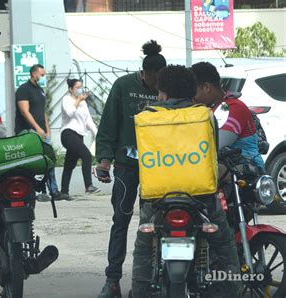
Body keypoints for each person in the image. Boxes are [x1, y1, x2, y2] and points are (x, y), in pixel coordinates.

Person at [131, 65, 242, 298]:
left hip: (156, 197)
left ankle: (140, 291)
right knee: (224, 245)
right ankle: (234, 290)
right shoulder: (205, 115)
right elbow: (212, 149)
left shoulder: (146, 115)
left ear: (162, 92)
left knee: (143, 248)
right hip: (201, 196)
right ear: (192, 90)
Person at [95, 40, 167, 298]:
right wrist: (103, 160)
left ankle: (155, 280)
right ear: (145, 73)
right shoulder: (123, 86)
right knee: (121, 220)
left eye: (161, 82)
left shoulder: (168, 89)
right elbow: (107, 127)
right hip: (126, 167)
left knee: (156, 224)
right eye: (153, 80)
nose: (157, 87)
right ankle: (112, 280)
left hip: (159, 168)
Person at [191, 62, 265, 169]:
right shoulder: (212, 107)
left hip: (247, 174)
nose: (191, 98)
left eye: (193, 92)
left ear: (206, 87)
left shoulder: (234, 108)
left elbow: (211, 147)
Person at [15, 64, 70, 201]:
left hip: (42, 132)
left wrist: (46, 128)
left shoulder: (40, 90)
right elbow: (24, 111)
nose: (43, 77)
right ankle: (32, 191)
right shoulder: (23, 90)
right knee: (29, 163)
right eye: (42, 74)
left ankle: (54, 191)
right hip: (27, 132)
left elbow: (42, 110)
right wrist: (36, 128)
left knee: (48, 160)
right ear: (34, 74)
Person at [60, 79, 100, 196]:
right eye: (77, 87)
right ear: (71, 89)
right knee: (86, 155)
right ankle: (88, 185)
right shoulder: (66, 99)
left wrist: (96, 134)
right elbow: (70, 112)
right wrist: (78, 100)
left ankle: (64, 192)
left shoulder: (83, 103)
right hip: (68, 133)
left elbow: (88, 121)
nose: (80, 90)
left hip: (79, 134)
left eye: (81, 87)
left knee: (70, 163)